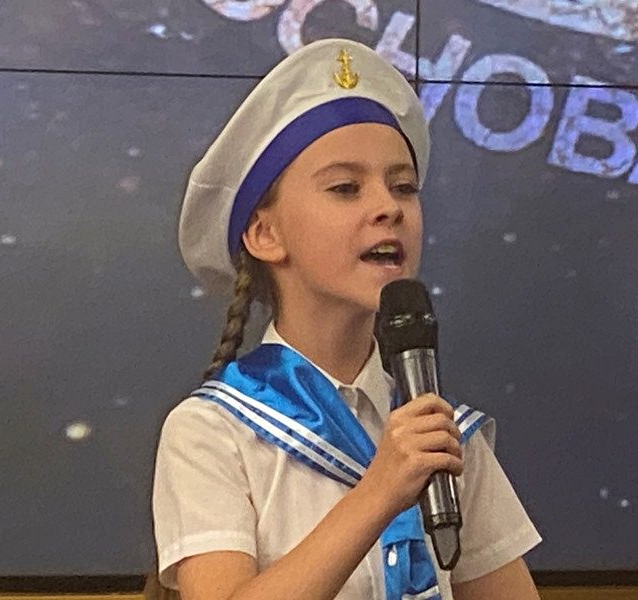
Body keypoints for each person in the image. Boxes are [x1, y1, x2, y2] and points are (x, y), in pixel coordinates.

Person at [149, 37, 542, 600]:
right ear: (265, 234)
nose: (388, 207)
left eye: (403, 187)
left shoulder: (440, 433)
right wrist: (380, 490)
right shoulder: (213, 432)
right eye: (345, 188)